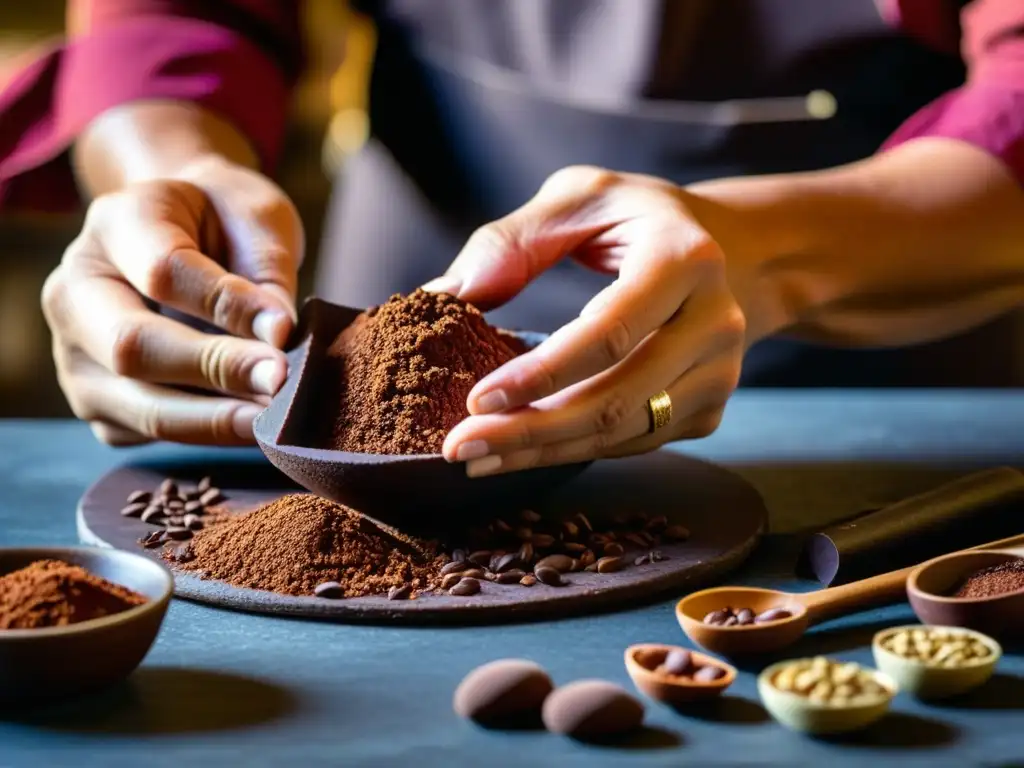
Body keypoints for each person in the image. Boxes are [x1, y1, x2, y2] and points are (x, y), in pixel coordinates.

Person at [0, 1, 1022, 478]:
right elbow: (179, 16)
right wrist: (167, 181)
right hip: (411, 254)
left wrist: (765, 251)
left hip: (881, 379)